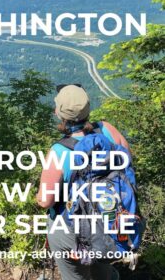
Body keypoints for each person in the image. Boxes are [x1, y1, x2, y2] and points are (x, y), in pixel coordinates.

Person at [36, 84, 127, 280]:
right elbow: (127, 166)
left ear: (58, 113)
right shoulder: (109, 130)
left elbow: (45, 201)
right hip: (111, 222)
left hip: (74, 233)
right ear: (88, 109)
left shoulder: (60, 152)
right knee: (103, 267)